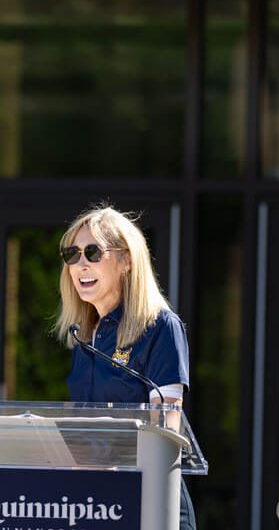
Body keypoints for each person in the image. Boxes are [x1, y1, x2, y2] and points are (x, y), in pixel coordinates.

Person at [54, 205, 196, 530]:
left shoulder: (161, 327)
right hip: (95, 505)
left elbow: (166, 431)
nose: (80, 265)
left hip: (151, 504)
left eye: (92, 252)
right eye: (72, 254)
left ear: (126, 259)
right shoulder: (84, 336)